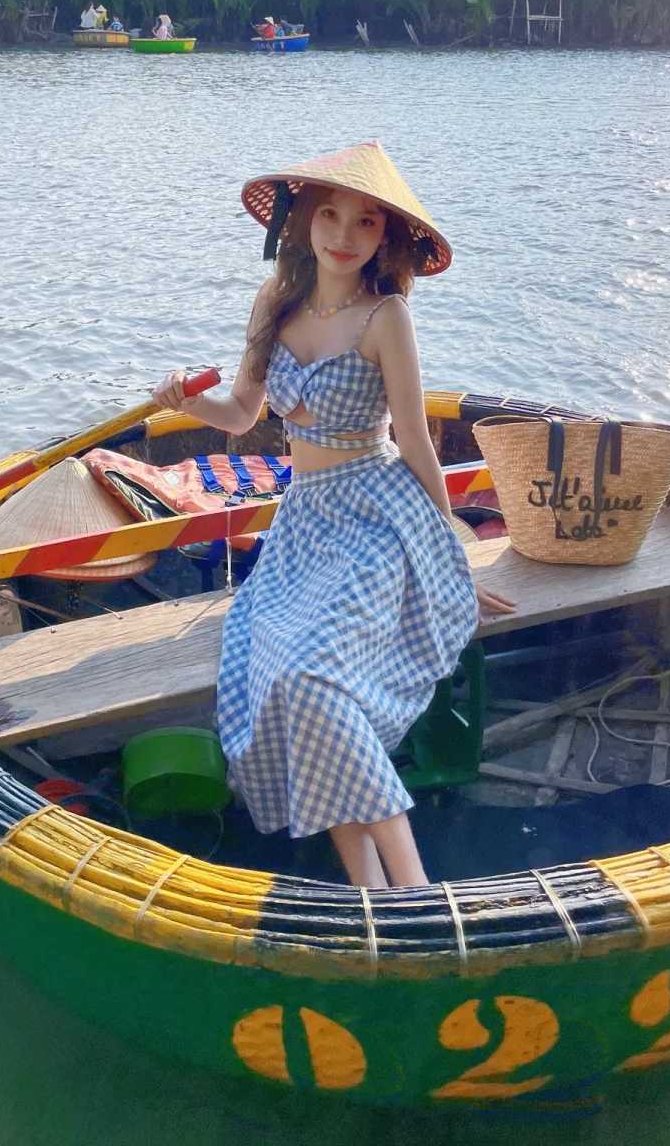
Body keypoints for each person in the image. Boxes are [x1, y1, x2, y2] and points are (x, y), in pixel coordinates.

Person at [153, 142, 514, 889]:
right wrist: (185, 400)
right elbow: (242, 411)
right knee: (282, 674)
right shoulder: (273, 305)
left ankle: (409, 889)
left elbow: (416, 440)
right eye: (330, 214)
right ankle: (371, 891)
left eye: (366, 222)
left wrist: (447, 548)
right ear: (302, 221)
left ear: (387, 239)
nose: (345, 234)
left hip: (378, 518)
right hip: (304, 524)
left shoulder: (387, 317)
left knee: (316, 680)